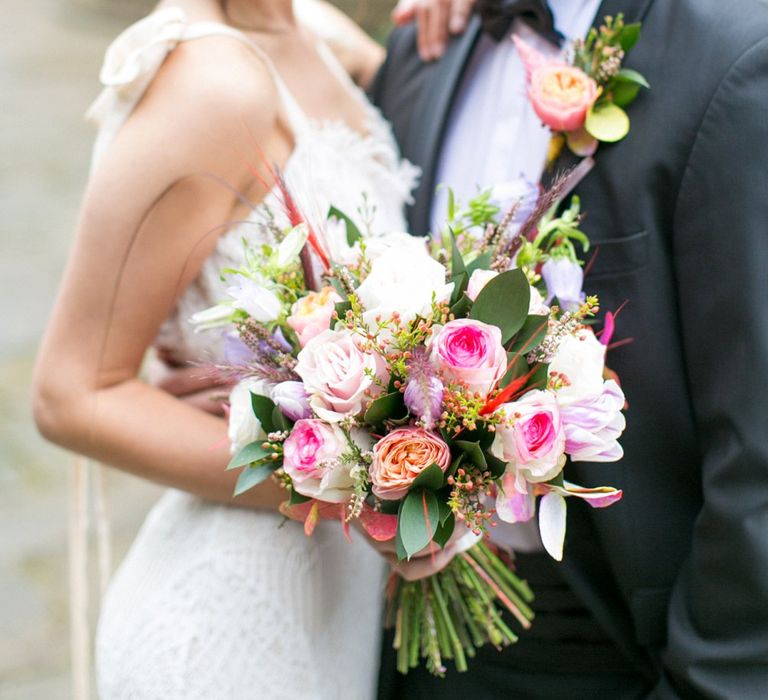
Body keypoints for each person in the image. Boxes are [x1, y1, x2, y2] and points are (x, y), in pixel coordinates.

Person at [31, 0, 474, 698]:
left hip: (333, 615)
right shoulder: (214, 83)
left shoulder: (316, 31)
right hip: (230, 629)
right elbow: (70, 395)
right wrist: (359, 488)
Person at [370, 0, 768, 698]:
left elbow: (757, 451)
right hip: (407, 648)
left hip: (622, 647)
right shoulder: (421, 51)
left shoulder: (735, 57)